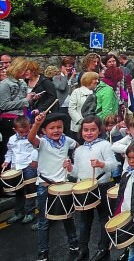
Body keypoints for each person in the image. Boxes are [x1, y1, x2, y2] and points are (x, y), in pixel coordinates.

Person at [28, 112, 79, 261]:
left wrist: (72, 162)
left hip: (63, 186)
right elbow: (31, 138)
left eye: (59, 127)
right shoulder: (42, 142)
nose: (56, 130)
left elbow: (78, 146)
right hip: (45, 187)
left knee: (68, 218)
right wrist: (37, 123)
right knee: (44, 222)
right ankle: (43, 251)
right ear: (44, 131)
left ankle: (74, 244)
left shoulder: (67, 140)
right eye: (51, 128)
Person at [69, 116, 116, 261]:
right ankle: (83, 249)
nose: (89, 133)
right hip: (84, 188)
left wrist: (102, 164)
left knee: (103, 219)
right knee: (84, 220)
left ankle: (103, 247)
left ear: (99, 130)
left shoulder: (105, 145)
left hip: (101, 185)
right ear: (81, 131)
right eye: (86, 130)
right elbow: (76, 172)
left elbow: (114, 164)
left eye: (93, 130)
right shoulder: (79, 150)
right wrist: (69, 168)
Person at [2, 116, 37, 224]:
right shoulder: (12, 139)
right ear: (15, 130)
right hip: (16, 167)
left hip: (29, 166)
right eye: (21, 132)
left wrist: (34, 160)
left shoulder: (33, 137)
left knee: (30, 191)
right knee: (18, 191)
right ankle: (18, 212)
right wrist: (6, 161)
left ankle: (30, 212)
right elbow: (10, 152)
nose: (25, 134)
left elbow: (37, 149)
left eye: (27, 131)